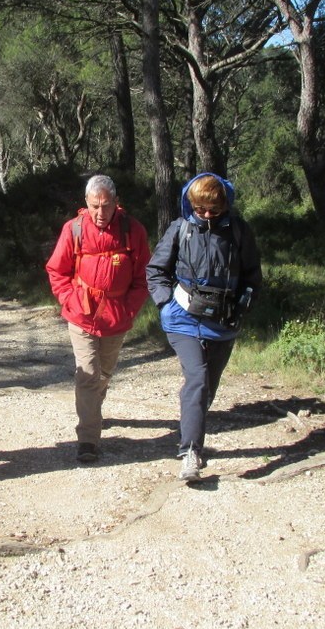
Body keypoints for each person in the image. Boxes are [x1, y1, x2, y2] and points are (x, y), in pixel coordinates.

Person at [146, 173, 263, 482]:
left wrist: (245, 303)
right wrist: (164, 303)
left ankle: (192, 420)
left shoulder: (239, 232)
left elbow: (253, 276)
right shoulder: (180, 229)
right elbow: (156, 270)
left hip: (224, 323)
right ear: (191, 204)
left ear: (225, 203)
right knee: (196, 380)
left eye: (214, 209)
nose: (207, 215)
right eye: (201, 209)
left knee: (206, 388)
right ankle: (190, 453)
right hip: (183, 319)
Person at [45, 174, 151, 463]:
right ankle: (88, 439)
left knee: (104, 373)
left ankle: (93, 410)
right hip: (82, 315)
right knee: (88, 374)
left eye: (106, 206)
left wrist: (128, 309)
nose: (100, 213)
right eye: (94, 206)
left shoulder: (133, 230)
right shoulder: (73, 229)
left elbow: (144, 278)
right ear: (86, 203)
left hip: (116, 317)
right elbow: (57, 270)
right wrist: (69, 299)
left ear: (116, 203)